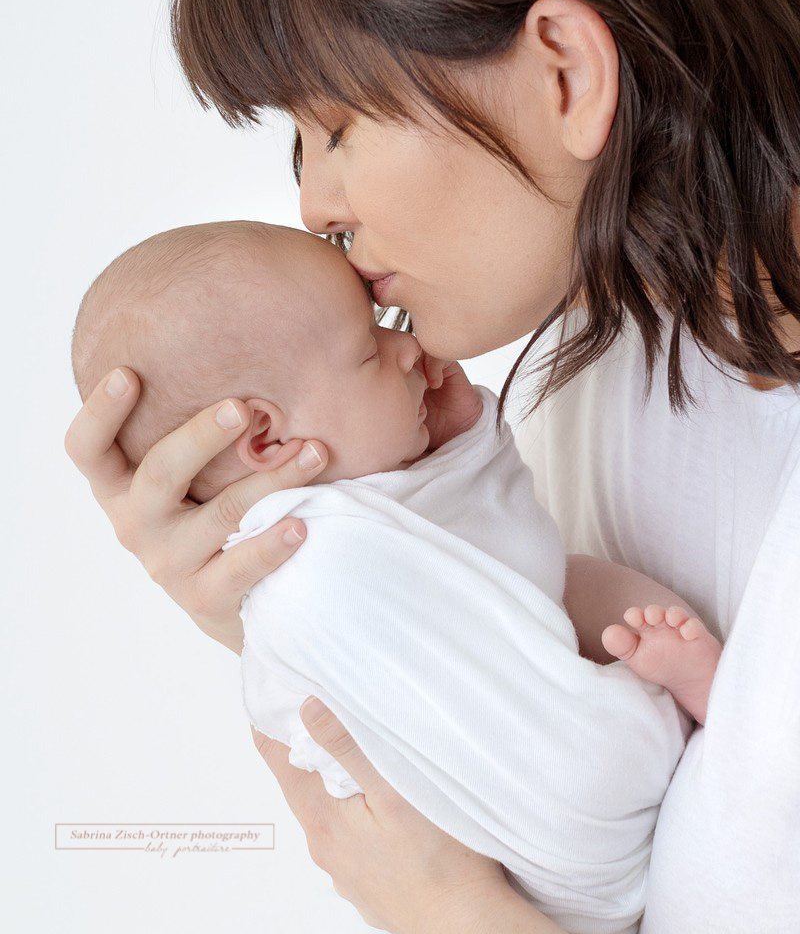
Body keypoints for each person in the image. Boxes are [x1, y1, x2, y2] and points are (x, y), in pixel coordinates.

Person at [64, 0, 800, 930]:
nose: (313, 206)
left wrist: (448, 917)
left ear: (562, 70)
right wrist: (302, 596)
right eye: (294, 147)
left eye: (335, 123)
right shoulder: (583, 374)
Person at [69, 218, 717, 933]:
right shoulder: (315, 565)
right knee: (579, 655)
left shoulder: (350, 510)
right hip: (555, 852)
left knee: (573, 584)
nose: (408, 345)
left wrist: (460, 435)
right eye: (369, 347)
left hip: (506, 877)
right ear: (265, 437)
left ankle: (668, 702)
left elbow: (512, 573)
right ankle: (668, 710)